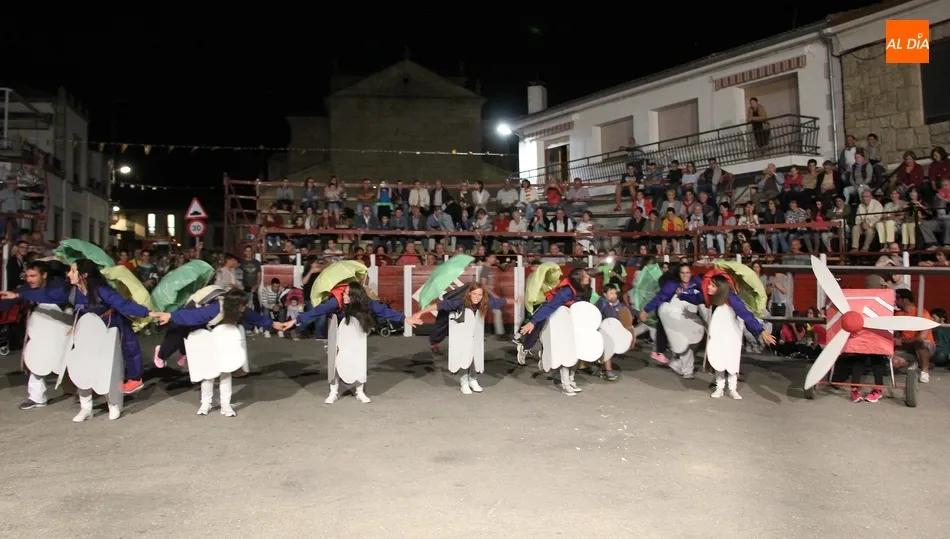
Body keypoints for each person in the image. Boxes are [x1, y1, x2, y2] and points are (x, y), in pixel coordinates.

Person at [0, 259, 157, 421]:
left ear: (84, 275)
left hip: (107, 330)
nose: (69, 274)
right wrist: (18, 295)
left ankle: (114, 404)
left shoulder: (101, 290)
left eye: (73, 271)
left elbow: (123, 305)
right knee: (81, 367)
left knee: (108, 368)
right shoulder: (70, 291)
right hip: (84, 333)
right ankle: (86, 408)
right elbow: (46, 295)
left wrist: (148, 313)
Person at [281, 282, 421, 404]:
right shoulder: (336, 301)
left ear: (356, 296)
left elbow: (383, 311)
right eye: (344, 293)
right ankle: (333, 392)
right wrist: (295, 321)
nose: (344, 296)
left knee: (359, 359)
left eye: (348, 294)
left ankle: (360, 391)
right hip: (337, 329)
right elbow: (317, 311)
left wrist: (404, 319)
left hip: (356, 330)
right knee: (335, 358)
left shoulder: (366, 301)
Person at [152, 289, 282, 416]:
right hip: (207, 338)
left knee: (226, 372)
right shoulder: (215, 309)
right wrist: (170, 316)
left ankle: (225, 405)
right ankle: (205, 403)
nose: (245, 308)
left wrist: (274, 324)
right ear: (234, 305)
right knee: (208, 373)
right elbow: (192, 315)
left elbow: (255, 317)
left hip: (223, 340)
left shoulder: (238, 308)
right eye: (243, 305)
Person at [678, 273, 775, 399]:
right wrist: (681, 295)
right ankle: (719, 387)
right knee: (718, 358)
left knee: (732, 360)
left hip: (732, 334)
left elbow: (746, 315)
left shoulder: (731, 298)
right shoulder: (710, 297)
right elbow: (695, 298)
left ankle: (732, 388)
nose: (708, 288)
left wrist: (761, 331)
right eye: (709, 285)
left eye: (712, 286)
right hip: (718, 333)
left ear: (721, 287)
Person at [414, 283, 517, 394]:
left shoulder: (484, 302)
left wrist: (517, 300)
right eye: (474, 294)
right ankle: (464, 382)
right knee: (464, 357)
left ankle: (473, 380)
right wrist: (419, 313)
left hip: (475, 335)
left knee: (474, 356)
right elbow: (439, 305)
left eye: (480, 295)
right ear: (469, 293)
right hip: (461, 334)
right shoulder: (460, 302)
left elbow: (502, 301)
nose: (477, 297)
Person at [514, 267, 592, 396]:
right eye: (585, 276)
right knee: (566, 352)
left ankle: (571, 379)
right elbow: (549, 307)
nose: (588, 277)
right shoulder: (566, 291)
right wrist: (532, 322)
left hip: (575, 324)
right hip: (559, 323)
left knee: (577, 353)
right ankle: (565, 383)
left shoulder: (586, 289)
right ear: (579, 280)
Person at [6, 261, 69, 410]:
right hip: (41, 334)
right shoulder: (27, 289)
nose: (29, 279)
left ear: (44, 275)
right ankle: (37, 397)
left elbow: (49, 296)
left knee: (68, 361)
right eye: (27, 276)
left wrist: (19, 294)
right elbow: (11, 299)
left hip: (63, 331)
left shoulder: (58, 286)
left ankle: (84, 394)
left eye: (33, 276)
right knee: (36, 362)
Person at [638, 263, 702, 368]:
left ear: (691, 273)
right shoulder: (672, 285)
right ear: (679, 274)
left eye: (687, 272)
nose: (685, 275)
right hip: (675, 318)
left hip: (691, 317)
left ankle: (680, 362)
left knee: (696, 340)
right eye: (682, 273)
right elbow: (659, 298)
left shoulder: (696, 282)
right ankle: (678, 362)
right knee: (681, 343)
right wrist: (646, 310)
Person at [594, 284, 629, 381]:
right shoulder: (601, 303)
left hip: (613, 330)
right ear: (605, 294)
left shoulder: (618, 304)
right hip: (602, 330)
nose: (614, 295)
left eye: (615, 293)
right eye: (611, 293)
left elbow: (626, 312)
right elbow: (595, 315)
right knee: (607, 349)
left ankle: (600, 366)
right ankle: (607, 370)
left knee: (607, 350)